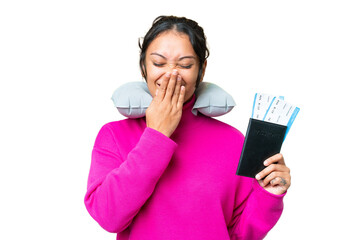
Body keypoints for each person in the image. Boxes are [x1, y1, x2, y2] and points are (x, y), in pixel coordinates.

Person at [84, 15, 291, 240]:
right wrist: (156, 135)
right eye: (159, 63)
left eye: (185, 65)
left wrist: (269, 195)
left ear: (201, 70)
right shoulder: (114, 135)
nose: (172, 74)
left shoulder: (233, 141)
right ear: (143, 67)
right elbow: (108, 217)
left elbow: (240, 234)